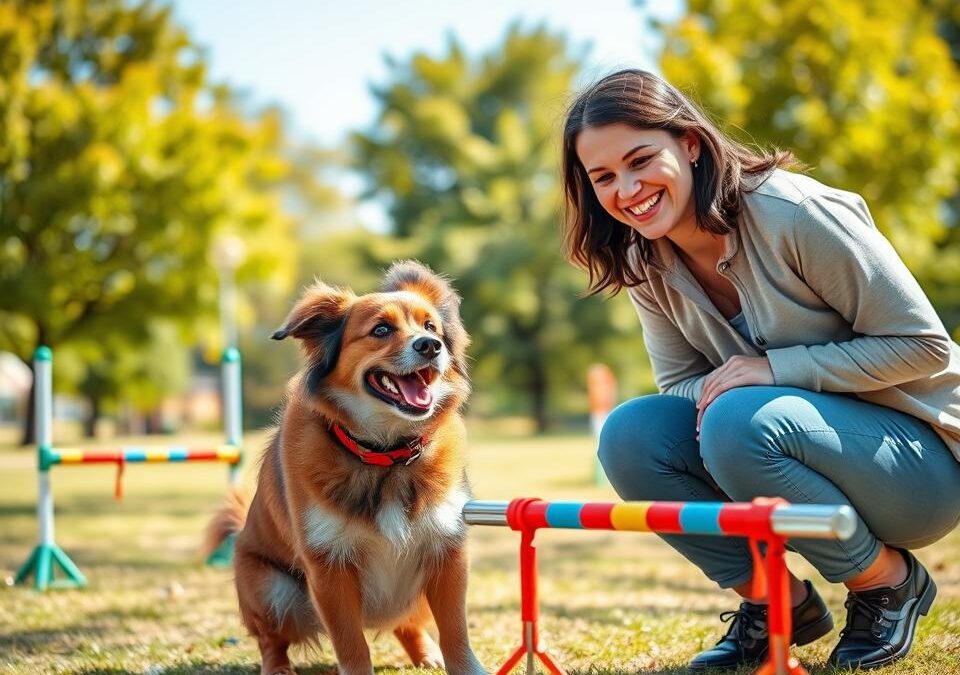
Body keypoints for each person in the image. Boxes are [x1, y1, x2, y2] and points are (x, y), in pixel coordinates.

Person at [561, 68, 960, 671]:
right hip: (780, 442)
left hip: (919, 465)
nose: (628, 189)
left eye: (641, 160)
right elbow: (680, 387)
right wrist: (744, 385)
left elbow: (923, 345)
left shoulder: (792, 213)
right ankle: (776, 603)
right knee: (630, 435)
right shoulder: (644, 257)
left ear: (689, 143)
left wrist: (774, 370)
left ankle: (887, 584)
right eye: (604, 177)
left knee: (738, 419)